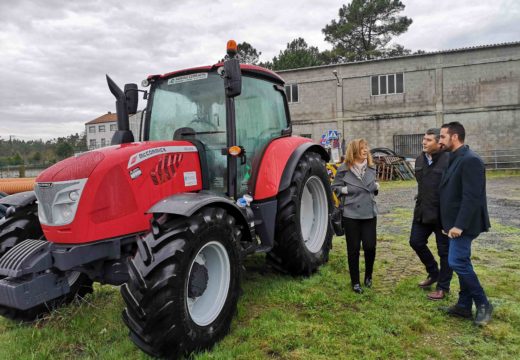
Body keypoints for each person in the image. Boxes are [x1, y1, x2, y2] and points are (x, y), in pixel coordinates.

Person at [438, 121, 492, 326]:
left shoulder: (471, 160)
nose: (439, 140)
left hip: (466, 224)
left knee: (457, 262)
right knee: (462, 261)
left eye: (442, 136)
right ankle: (463, 305)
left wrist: (459, 225)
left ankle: (483, 303)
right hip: (453, 223)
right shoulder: (453, 158)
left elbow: (472, 197)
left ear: (454, 137)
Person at [409, 128, 453, 300]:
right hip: (422, 210)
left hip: (442, 214)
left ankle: (443, 287)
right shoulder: (420, 159)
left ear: (438, 142)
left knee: (445, 252)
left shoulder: (448, 159)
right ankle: (433, 272)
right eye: (423, 139)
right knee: (415, 241)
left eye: (428, 140)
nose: (424, 142)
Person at [332, 139, 379, 294]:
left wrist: (376, 187)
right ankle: (355, 282)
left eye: (366, 147)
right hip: (351, 213)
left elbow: (373, 187)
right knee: (353, 249)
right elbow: (335, 186)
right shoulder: (344, 169)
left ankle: (369, 276)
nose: (366, 150)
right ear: (354, 151)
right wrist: (346, 191)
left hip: (369, 213)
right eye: (362, 148)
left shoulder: (372, 168)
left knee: (370, 246)